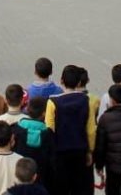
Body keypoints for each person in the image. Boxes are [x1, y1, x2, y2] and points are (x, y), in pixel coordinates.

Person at [46, 66, 94, 195]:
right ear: (79, 83)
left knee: (61, 188)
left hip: (60, 152)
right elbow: (90, 130)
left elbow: (49, 129)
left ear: (61, 81)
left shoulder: (52, 102)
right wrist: (90, 151)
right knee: (79, 187)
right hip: (80, 150)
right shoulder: (86, 100)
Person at [12, 98, 55, 191]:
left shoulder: (16, 129)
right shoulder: (49, 134)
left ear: (28, 109)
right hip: (42, 180)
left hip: (19, 178)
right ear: (44, 113)